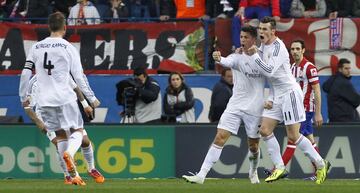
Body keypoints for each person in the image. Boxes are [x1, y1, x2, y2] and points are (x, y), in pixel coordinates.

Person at [246, 16, 330, 184]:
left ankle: (321, 163)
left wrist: (254, 55)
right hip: (277, 94)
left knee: (293, 136)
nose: (261, 32)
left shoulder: (279, 48)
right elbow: (267, 74)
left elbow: (269, 71)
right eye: (260, 29)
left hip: (290, 93)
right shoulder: (264, 45)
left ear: (273, 31)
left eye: (264, 29)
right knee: (264, 130)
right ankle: (280, 167)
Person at [19, 12, 98, 186]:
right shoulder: (68, 47)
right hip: (65, 98)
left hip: (45, 102)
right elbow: (78, 76)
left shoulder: (36, 47)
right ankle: (69, 153)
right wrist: (91, 98)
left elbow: (26, 72)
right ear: (65, 27)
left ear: (48, 27)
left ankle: (71, 175)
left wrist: (23, 95)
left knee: (61, 135)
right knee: (78, 130)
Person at [182, 26, 265, 184]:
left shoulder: (262, 58)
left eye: (246, 37)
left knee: (254, 146)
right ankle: (201, 175)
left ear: (254, 39)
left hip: (255, 107)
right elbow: (227, 61)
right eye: (241, 37)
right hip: (235, 105)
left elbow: (271, 74)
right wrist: (218, 58)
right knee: (220, 137)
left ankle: (253, 172)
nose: (242, 40)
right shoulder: (236, 56)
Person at [24, 75, 105, 184]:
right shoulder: (34, 83)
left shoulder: (61, 71)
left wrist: (85, 105)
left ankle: (92, 169)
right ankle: (70, 176)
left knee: (85, 141)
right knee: (59, 142)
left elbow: (75, 88)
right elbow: (27, 106)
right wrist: (39, 123)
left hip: (66, 111)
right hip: (46, 115)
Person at [264, 39, 324, 180]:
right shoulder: (290, 67)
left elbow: (317, 90)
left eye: (298, 49)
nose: (295, 51)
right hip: (294, 107)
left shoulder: (309, 67)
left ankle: (278, 170)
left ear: (303, 50)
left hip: (305, 108)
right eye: (292, 49)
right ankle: (320, 170)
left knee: (293, 139)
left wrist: (318, 112)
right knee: (309, 140)